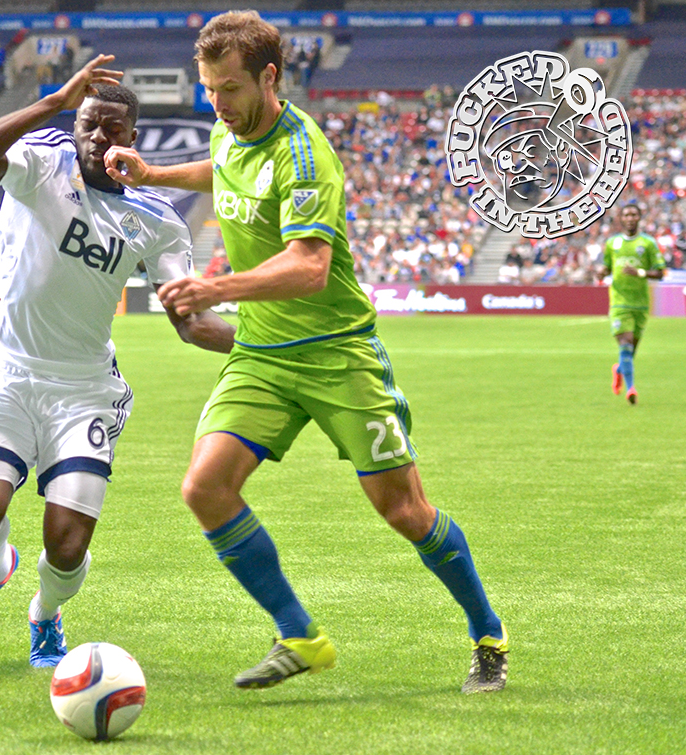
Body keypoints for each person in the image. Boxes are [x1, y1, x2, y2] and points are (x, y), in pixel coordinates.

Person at [104, 10, 508, 693]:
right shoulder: (230, 130)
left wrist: (216, 287)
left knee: (405, 510)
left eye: (229, 88)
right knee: (204, 486)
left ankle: (487, 633)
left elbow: (311, 266)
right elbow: (226, 169)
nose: (216, 103)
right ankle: (301, 634)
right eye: (208, 88)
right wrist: (154, 172)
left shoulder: (305, 153)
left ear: (269, 76)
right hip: (264, 353)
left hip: (336, 353)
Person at [0, 54, 235, 668]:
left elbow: (190, 323)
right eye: (89, 125)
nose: (99, 138)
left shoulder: (158, 221)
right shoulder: (40, 161)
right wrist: (52, 102)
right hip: (10, 375)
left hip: (85, 392)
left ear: (133, 138)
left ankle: (45, 616)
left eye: (113, 129)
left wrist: (263, 341)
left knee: (69, 544)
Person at [598, 204, 666, 405]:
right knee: (625, 343)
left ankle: (618, 370)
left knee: (630, 351)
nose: (630, 218)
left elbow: (660, 272)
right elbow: (607, 266)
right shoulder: (612, 243)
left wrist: (640, 273)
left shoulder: (648, 243)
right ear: (620, 218)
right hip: (619, 302)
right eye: (626, 214)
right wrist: (602, 272)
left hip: (641, 304)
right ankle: (631, 389)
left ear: (639, 218)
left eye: (633, 214)